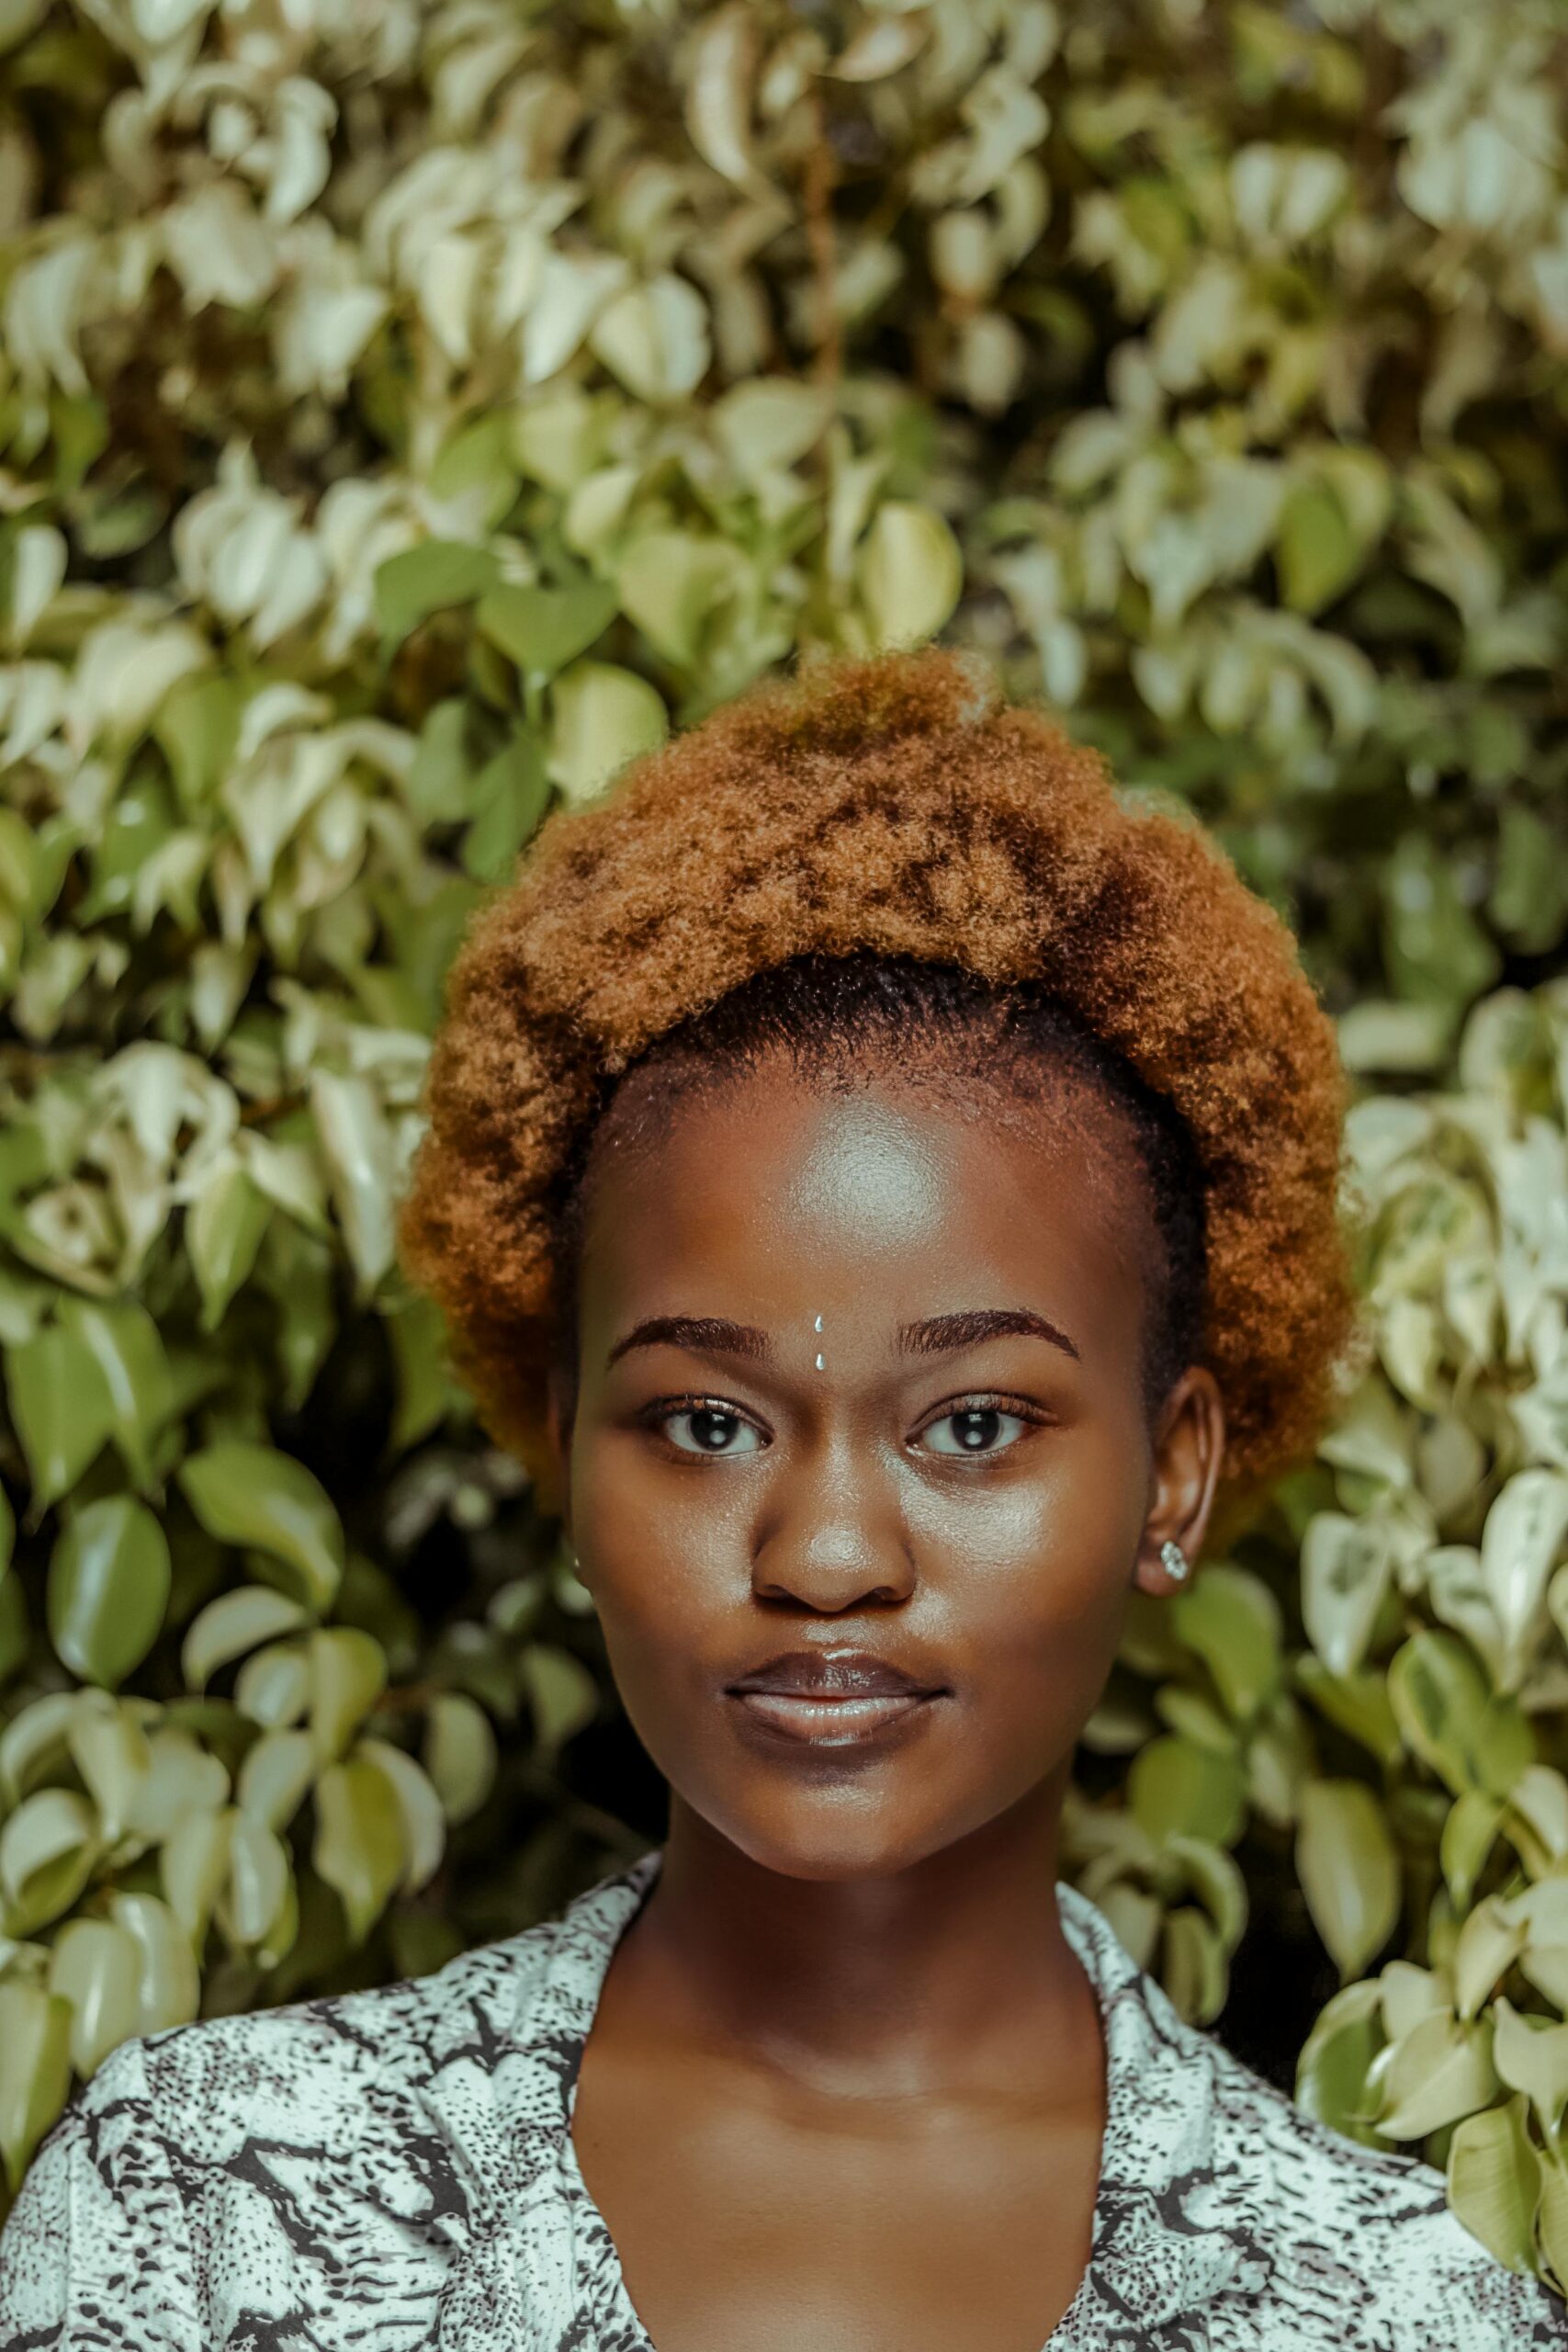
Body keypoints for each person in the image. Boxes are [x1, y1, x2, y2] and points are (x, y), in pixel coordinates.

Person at [1, 647, 1560, 2351]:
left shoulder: (1405, 2315)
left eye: (971, 1425)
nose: (825, 1556)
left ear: (1172, 1471)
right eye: (704, 1422)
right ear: (565, 1445)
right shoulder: (208, 2207)